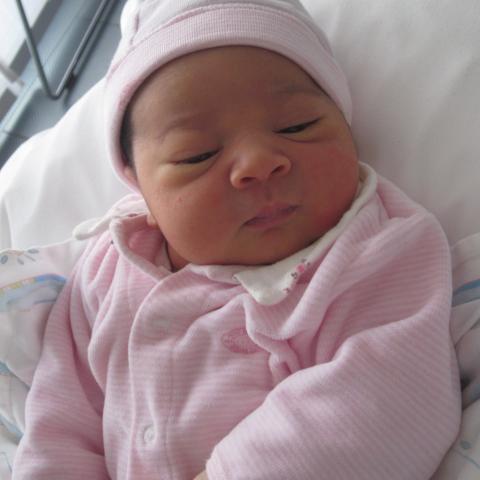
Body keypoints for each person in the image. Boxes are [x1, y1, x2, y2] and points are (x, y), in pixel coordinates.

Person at [12, 0, 461, 479]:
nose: (258, 163)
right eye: (197, 154)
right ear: (142, 191)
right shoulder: (105, 273)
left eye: (297, 126)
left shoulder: (378, 249)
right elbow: (59, 423)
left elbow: (389, 396)